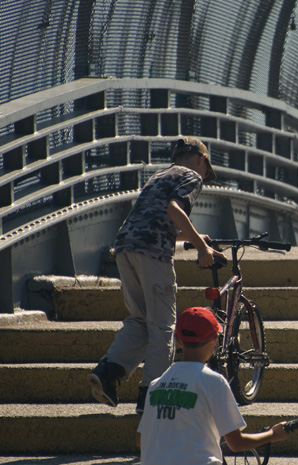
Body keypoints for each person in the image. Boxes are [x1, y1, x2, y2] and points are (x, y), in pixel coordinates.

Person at [88, 136, 226, 414]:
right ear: (201, 160)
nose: (203, 175)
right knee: (163, 327)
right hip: (152, 254)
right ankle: (151, 398)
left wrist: (196, 238)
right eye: (205, 169)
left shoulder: (159, 176)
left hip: (126, 248)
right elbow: (174, 210)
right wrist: (202, 249)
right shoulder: (191, 176)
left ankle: (108, 372)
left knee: (139, 319)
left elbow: (155, 221)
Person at [137, 306, 290, 465]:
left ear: (177, 340)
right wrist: (273, 434)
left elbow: (141, 439)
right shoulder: (213, 382)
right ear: (214, 340)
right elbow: (237, 443)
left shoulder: (156, 385)